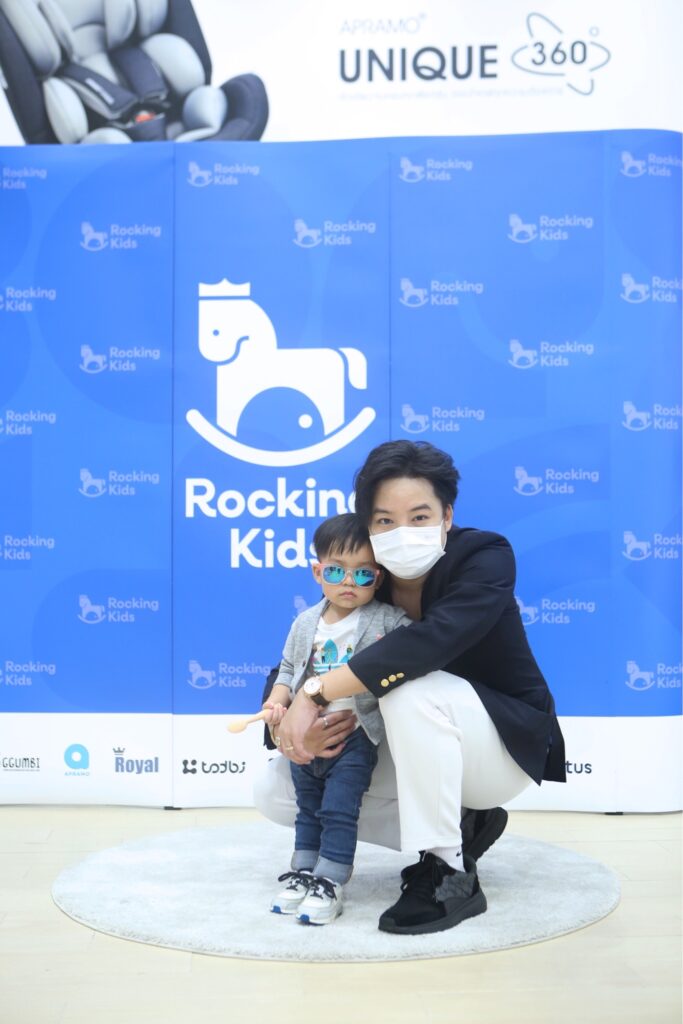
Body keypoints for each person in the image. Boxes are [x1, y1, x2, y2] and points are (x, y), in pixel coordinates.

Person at [255, 440, 566, 936]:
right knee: (277, 790)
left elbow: (425, 645)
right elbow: (302, 653)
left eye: (419, 517)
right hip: (417, 745)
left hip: (500, 746)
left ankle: (448, 871)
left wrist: (315, 694)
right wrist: (291, 724)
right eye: (385, 520)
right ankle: (462, 824)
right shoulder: (368, 577)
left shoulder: (484, 556)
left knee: (406, 688)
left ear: (447, 516)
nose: (402, 532)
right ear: (368, 526)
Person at [262, 512, 410, 925]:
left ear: (378, 579)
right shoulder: (305, 622)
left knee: (339, 809)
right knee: (307, 808)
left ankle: (331, 879)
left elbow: (416, 645)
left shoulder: (386, 619)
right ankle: (303, 871)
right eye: (336, 571)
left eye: (363, 574)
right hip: (305, 735)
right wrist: (277, 704)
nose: (349, 582)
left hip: (354, 737)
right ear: (317, 572)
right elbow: (288, 670)